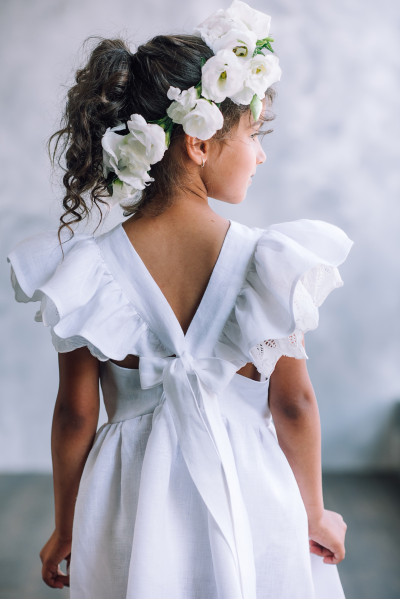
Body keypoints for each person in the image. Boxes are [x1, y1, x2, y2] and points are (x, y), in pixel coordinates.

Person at [7, 1, 352, 598]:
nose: (260, 154)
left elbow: (75, 415)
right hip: (252, 493)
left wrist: (67, 526)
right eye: (253, 134)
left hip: (131, 504)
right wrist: (315, 512)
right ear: (197, 142)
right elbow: (294, 404)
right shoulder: (267, 264)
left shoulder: (86, 272)